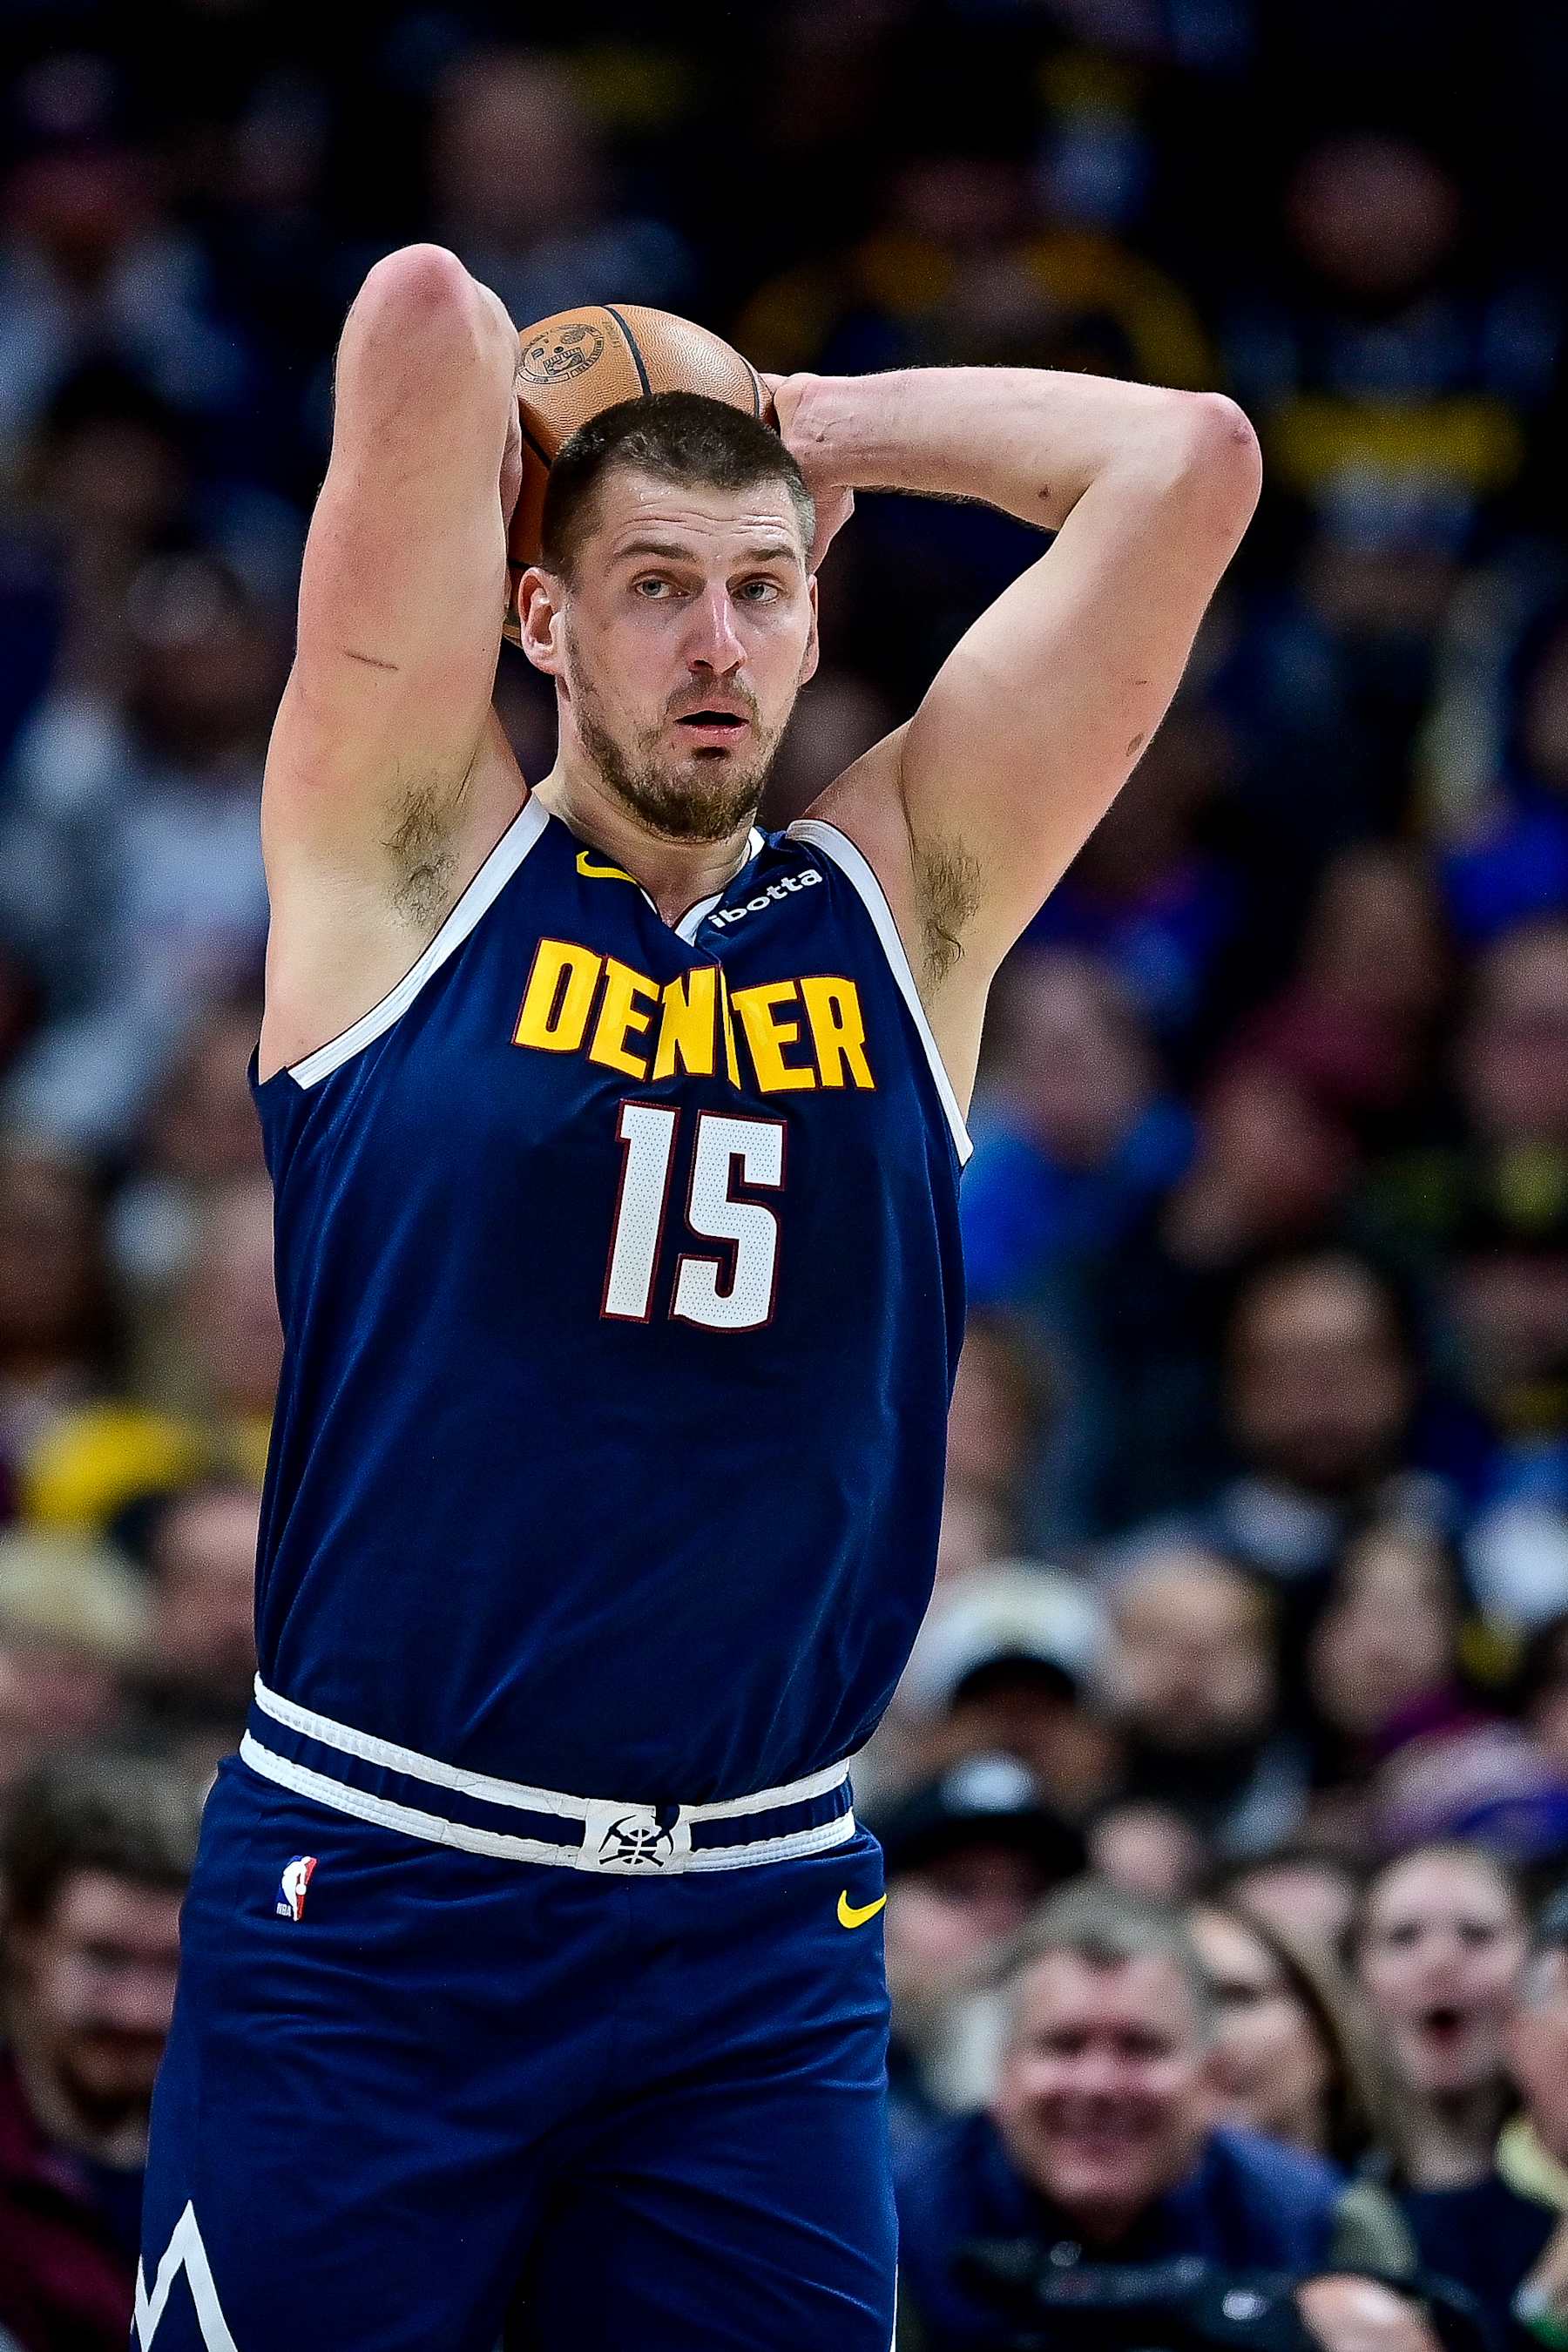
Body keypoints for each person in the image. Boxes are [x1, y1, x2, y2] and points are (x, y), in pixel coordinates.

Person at [137, 239, 1260, 2350]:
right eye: (654, 583)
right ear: (537, 615)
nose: (718, 641)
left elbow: (1183, 464)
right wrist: (631, 400)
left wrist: (809, 425)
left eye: (762, 585)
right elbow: (412, 320)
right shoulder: (403, 868)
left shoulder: (908, 898)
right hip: (385, 1891)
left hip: (751, 1928)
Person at [894, 1881, 1441, 2352]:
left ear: (1212, 2076)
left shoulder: (1328, 2223)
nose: (1099, 2084)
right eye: (1064, 2045)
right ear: (1003, 2075)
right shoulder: (893, 2220)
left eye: (1140, 2046)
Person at [0, 1744, 202, 2352]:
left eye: (172, 1964)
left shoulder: (247, 2161)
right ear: (25, 1939)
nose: (139, 2010)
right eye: (104, 1959)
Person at [1352, 1843, 1544, 2333]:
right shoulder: (1317, 2205)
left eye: (1477, 1936)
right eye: (1403, 1938)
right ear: (1356, 1981)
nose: (1439, 1962)